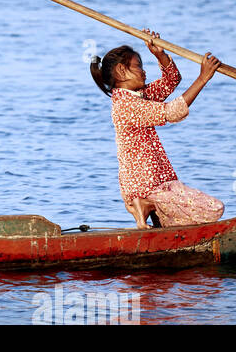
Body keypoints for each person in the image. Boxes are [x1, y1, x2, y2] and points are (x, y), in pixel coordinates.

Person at [90, 29, 223, 229]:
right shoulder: (127, 106)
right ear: (121, 71)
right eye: (138, 67)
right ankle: (145, 205)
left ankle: (146, 211)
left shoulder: (137, 95)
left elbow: (172, 80)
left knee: (178, 226)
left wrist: (159, 54)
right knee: (214, 209)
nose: (144, 72)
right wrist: (203, 78)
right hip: (149, 186)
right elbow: (172, 111)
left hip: (156, 182)